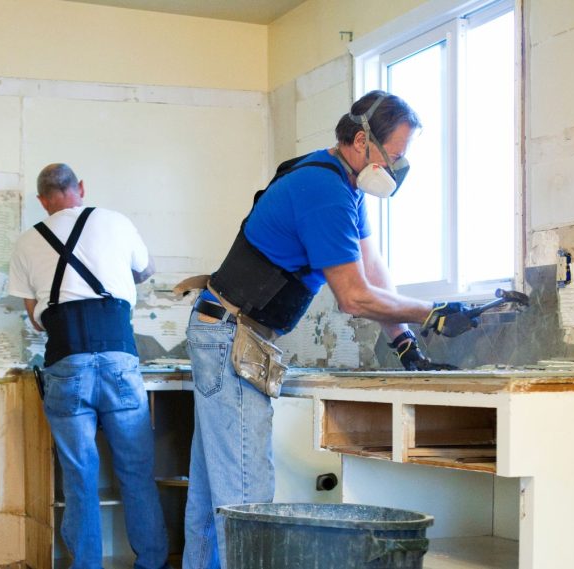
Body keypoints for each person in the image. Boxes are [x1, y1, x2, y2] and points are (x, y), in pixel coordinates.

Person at [178, 91, 479, 569]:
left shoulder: (343, 184)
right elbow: (354, 296)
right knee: (245, 500)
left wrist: (405, 344)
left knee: (214, 495)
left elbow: (374, 274)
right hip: (231, 338)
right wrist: (433, 312)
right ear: (363, 141)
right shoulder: (325, 191)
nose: (399, 168)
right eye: (396, 155)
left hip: (227, 331)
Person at [8, 164, 171, 569]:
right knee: (135, 473)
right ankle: (152, 562)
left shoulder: (27, 242)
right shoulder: (115, 221)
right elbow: (146, 270)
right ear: (80, 188)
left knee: (80, 477)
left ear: (42, 200)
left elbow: (34, 316)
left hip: (66, 361)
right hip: (119, 356)